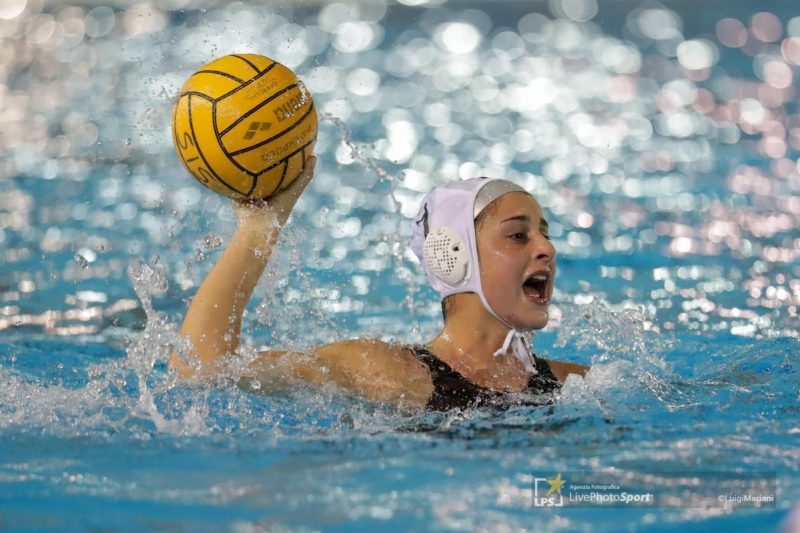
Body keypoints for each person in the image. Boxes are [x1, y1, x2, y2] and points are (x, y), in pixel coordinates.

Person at [169, 156, 589, 411]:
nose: (547, 248)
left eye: (545, 233)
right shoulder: (388, 372)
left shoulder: (577, 385)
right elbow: (200, 370)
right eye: (518, 235)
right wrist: (258, 230)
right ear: (452, 254)